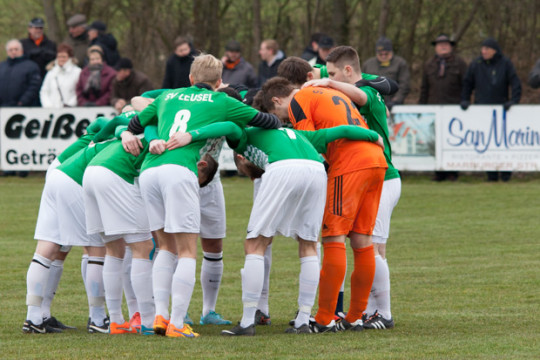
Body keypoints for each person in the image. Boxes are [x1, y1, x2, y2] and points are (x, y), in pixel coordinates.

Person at [120, 54, 281, 339]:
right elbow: (268, 121)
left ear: (191, 79)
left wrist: (154, 134)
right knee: (187, 251)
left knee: (165, 248)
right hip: (180, 172)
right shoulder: (223, 100)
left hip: (149, 171)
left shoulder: (169, 95)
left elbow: (134, 124)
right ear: (219, 82)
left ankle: (160, 315)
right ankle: (178, 324)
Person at [259, 77, 387, 333]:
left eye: (278, 115)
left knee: (333, 238)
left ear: (277, 100)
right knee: (363, 241)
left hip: (349, 164)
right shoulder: (325, 91)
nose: (283, 121)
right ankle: (355, 316)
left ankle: (326, 316)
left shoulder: (299, 101)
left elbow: (310, 143)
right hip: (376, 160)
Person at [306, 45, 401, 329]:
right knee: (362, 245)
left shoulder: (365, 92)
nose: (328, 77)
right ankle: (361, 312)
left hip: (381, 177)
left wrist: (328, 82)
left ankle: (382, 312)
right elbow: (314, 71)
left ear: (347, 71)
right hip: (368, 174)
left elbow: (365, 92)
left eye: (334, 74)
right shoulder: (345, 77)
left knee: (373, 247)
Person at [461, 38, 522, 182]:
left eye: (487, 49)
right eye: (482, 49)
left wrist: (513, 101)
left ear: (495, 50)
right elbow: (467, 83)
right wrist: (465, 99)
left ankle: (506, 174)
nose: (484, 51)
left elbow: (515, 83)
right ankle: (491, 175)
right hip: (481, 109)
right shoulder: (476, 64)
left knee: (503, 142)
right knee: (485, 143)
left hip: (502, 110)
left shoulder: (505, 63)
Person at [420, 34, 467, 182]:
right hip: (433, 109)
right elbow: (424, 88)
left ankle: (453, 171)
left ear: (451, 46)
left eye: (446, 43)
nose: (443, 46)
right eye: (440, 44)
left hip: (454, 109)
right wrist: (422, 107)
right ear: (436, 47)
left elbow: (466, 85)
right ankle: (438, 172)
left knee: (453, 140)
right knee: (435, 140)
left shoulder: (459, 63)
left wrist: (465, 101)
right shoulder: (429, 64)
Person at [363, 36, 410, 108]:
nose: (383, 56)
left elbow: (404, 85)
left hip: (393, 106)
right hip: (372, 105)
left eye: (386, 54)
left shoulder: (400, 63)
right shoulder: (368, 64)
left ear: (391, 52)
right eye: (380, 54)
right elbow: (361, 83)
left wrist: (396, 100)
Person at [0, 39, 41, 107]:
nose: (13, 52)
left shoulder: (31, 66)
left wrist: (22, 102)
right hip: (3, 108)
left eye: (16, 49)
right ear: (7, 52)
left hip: (23, 108)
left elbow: (34, 86)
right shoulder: (1, 66)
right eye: (11, 50)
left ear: (21, 50)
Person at [40, 43, 81, 108]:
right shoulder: (51, 72)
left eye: (64, 57)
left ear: (70, 57)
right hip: (52, 110)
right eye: (59, 57)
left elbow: (79, 91)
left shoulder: (77, 72)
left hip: (71, 110)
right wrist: (48, 106)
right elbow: (44, 91)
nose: (61, 59)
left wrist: (70, 104)